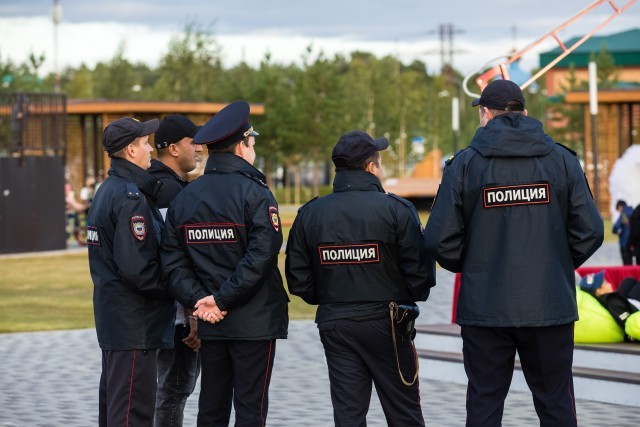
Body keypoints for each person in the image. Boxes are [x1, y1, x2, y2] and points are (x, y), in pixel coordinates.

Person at [424, 79, 604, 427]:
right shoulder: (562, 160)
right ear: (525, 111)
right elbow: (591, 230)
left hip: (485, 308)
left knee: (485, 403)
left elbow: (438, 239)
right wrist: (555, 264)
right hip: (549, 306)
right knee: (556, 402)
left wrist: (474, 266)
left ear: (487, 114)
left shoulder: (463, 165)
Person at [286, 130, 436, 426]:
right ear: (371, 167)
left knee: (348, 415)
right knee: (404, 411)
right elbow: (421, 274)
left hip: (335, 322)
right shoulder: (397, 209)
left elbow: (298, 278)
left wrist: (330, 298)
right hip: (388, 322)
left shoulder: (311, 213)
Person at [160, 101, 289, 426]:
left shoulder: (186, 196)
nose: (254, 148)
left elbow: (173, 263)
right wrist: (220, 299)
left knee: (212, 408)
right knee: (250, 409)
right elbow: (261, 256)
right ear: (241, 146)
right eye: (252, 142)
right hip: (253, 322)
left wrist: (201, 301)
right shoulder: (255, 194)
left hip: (210, 321)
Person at [86, 117, 175, 426]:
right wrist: (177, 288)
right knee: (131, 415)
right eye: (145, 142)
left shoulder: (107, 190)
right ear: (131, 150)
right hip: (135, 324)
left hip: (118, 324)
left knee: (116, 411)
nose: (150, 148)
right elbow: (139, 269)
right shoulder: (129, 197)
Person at [149, 114, 203, 427]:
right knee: (174, 390)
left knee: (167, 390)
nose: (199, 148)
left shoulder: (154, 184)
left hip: (160, 311)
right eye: (192, 141)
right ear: (172, 148)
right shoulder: (170, 192)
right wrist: (191, 313)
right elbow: (175, 258)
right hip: (176, 315)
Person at [579, 271, 640, 341]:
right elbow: (630, 325)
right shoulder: (613, 302)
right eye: (605, 282)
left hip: (627, 303)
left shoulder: (610, 300)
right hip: (634, 310)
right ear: (598, 291)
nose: (610, 284)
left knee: (628, 281)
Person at [613, 200, 634, 265]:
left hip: (624, 242)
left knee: (627, 265)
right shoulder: (633, 211)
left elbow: (616, 227)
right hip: (634, 242)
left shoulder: (624, 214)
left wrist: (616, 231)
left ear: (620, 207)